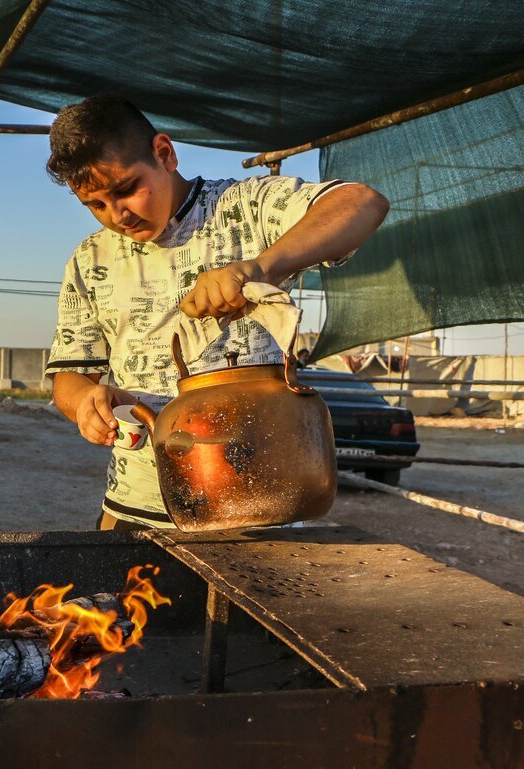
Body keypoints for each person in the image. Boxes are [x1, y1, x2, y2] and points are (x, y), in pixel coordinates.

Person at [44, 95, 389, 530]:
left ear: (164, 154)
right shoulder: (90, 259)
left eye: (127, 189)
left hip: (258, 511)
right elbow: (69, 377)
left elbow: (362, 203)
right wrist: (85, 405)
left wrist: (261, 268)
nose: (118, 215)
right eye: (95, 205)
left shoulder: (245, 208)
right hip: (134, 511)